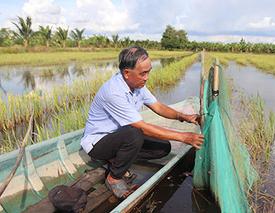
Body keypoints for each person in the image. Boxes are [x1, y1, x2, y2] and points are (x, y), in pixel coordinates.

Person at [80, 46, 204, 198]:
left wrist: (182, 116)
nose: (146, 77)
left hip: (120, 137)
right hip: (98, 143)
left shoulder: (137, 85)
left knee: (163, 148)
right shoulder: (113, 91)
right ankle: (113, 178)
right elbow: (141, 127)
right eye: (143, 73)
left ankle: (116, 159)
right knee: (134, 133)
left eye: (148, 72)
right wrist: (184, 137)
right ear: (126, 73)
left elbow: (158, 107)